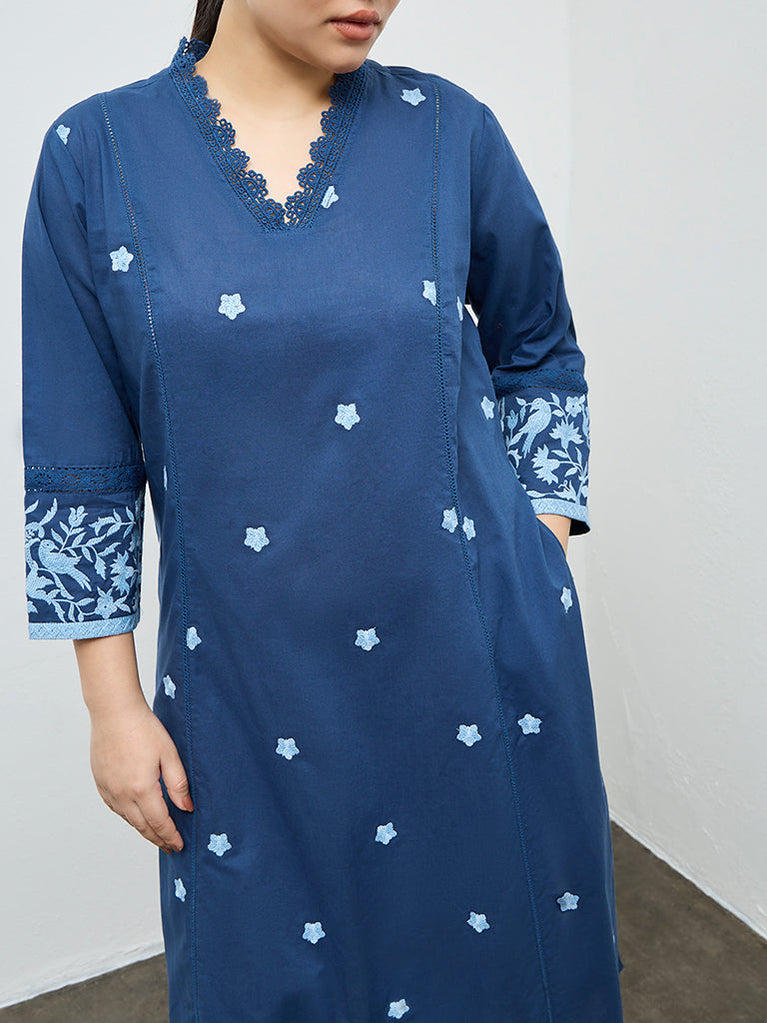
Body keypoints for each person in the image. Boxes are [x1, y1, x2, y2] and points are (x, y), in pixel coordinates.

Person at [20, 1, 625, 1019]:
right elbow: (80, 456)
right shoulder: (96, 154)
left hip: (475, 662)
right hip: (247, 690)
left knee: (502, 973)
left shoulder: (450, 131)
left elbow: (539, 352)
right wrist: (112, 709)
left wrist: (536, 545)